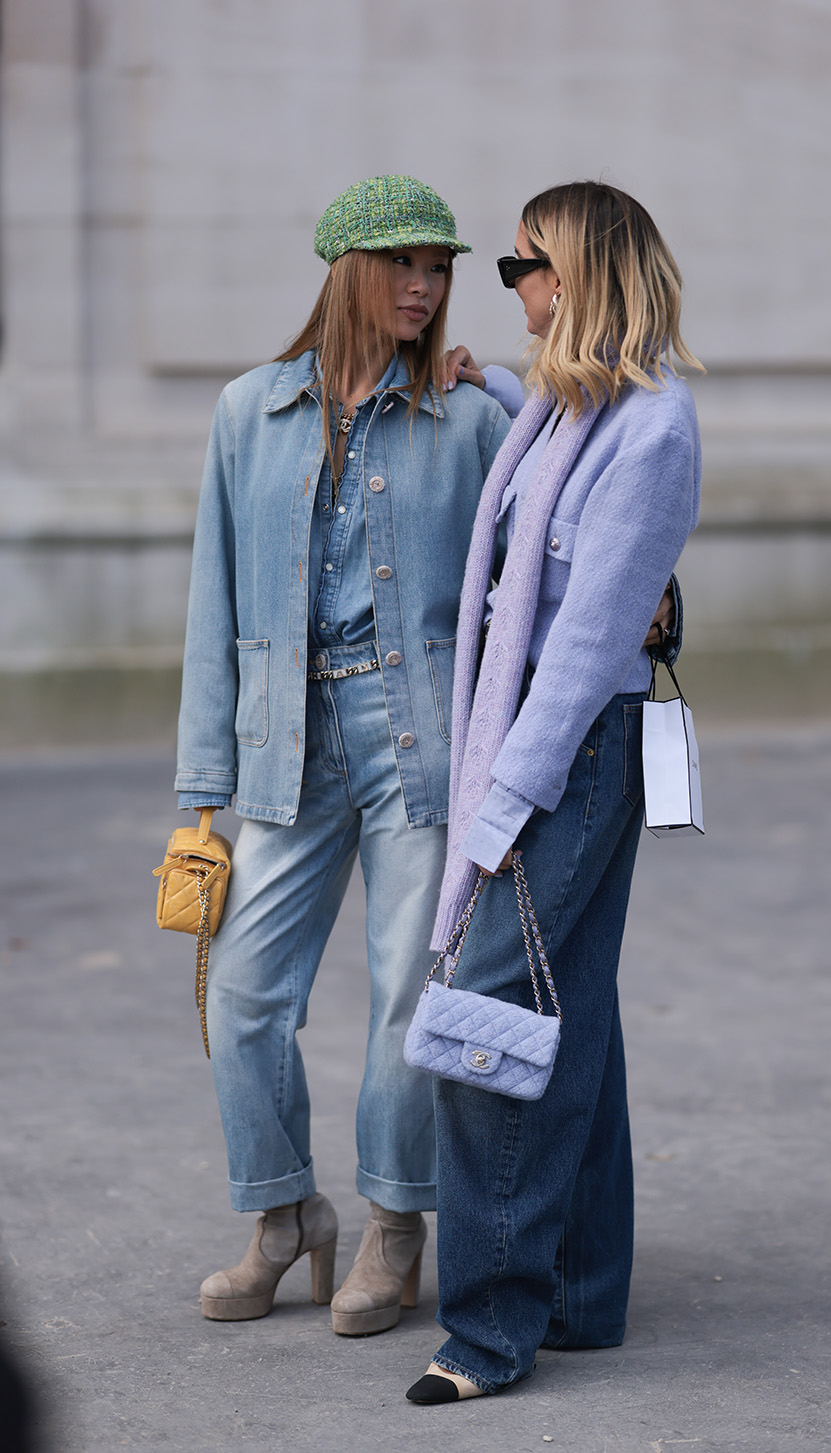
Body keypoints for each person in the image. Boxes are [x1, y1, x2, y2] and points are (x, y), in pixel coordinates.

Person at [174, 175, 524, 1335]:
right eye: (402, 265)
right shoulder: (246, 412)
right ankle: (283, 1217)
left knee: (402, 995)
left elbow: (541, 528)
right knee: (242, 992)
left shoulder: (468, 418)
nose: (424, 286)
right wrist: (198, 797)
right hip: (287, 737)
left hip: (416, 736)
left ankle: (394, 1223)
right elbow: (214, 608)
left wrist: (508, 383)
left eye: (440, 267)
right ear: (345, 272)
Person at [404, 180, 703, 1403]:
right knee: (566, 1002)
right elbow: (536, 511)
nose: (508, 286)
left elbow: (583, 648)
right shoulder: (565, 410)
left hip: (565, 752)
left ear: (571, 274)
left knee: (485, 1021)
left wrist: (504, 802)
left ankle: (486, 1327)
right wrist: (480, 380)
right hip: (545, 742)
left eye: (519, 265)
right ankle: (580, 1293)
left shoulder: (655, 428)